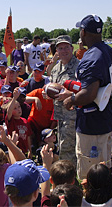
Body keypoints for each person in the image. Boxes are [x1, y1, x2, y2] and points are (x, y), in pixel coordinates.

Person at [63, 15, 112, 179]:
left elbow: (89, 94)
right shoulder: (109, 51)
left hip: (93, 119)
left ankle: (94, 201)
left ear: (84, 32)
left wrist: (71, 100)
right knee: (105, 164)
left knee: (91, 171)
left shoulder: (93, 56)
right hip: (106, 113)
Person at [48, 35, 79, 165]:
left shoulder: (79, 66)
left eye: (67, 47)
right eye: (60, 48)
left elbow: (87, 89)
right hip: (60, 116)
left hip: (74, 115)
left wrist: (69, 94)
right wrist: (47, 93)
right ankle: (68, 177)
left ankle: (69, 177)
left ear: (72, 48)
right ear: (57, 51)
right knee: (63, 145)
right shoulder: (56, 68)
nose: (64, 50)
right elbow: (53, 87)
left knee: (69, 148)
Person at [4, 88, 32, 158]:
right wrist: (14, 98)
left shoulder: (25, 121)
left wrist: (30, 150)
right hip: (14, 149)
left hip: (24, 150)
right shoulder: (11, 120)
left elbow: (28, 136)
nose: (18, 109)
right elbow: (9, 111)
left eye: (19, 107)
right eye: (15, 108)